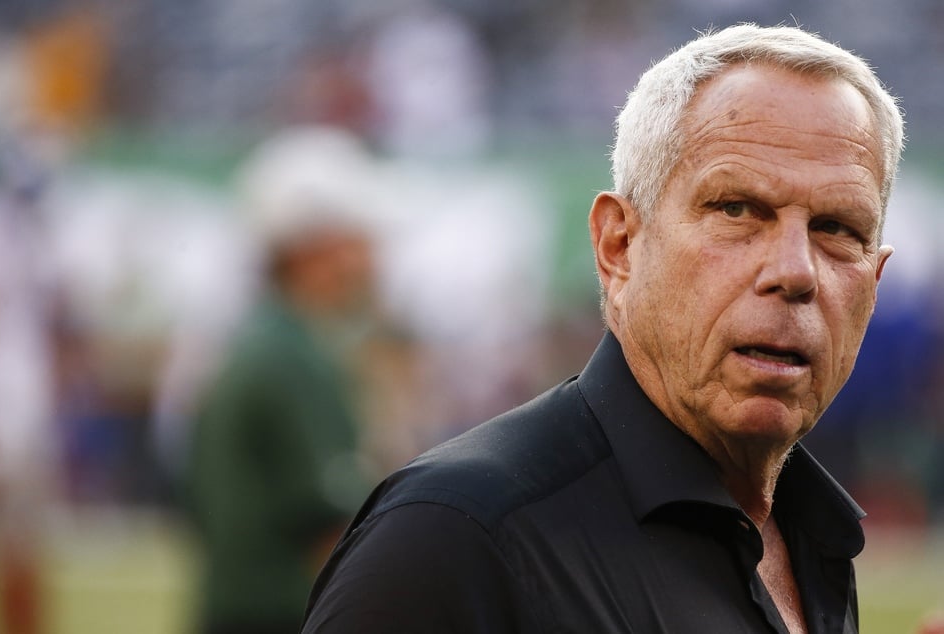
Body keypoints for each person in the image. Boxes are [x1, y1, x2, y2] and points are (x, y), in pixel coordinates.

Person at [300, 24, 904, 634]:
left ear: (873, 285)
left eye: (837, 228)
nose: (796, 272)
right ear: (619, 246)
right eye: (737, 210)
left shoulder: (810, 536)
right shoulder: (457, 536)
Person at [185, 126, 382, 634]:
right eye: (358, 239)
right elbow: (333, 529)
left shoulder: (250, 344)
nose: (371, 258)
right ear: (315, 249)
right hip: (280, 614)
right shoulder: (294, 358)